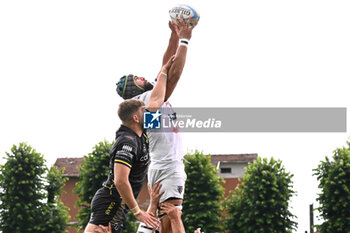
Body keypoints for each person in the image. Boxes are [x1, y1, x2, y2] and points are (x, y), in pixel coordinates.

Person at [116, 16, 197, 233]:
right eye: (138, 79)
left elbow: (165, 66)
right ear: (134, 89)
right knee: (172, 219)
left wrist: (173, 36)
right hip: (169, 166)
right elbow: (174, 73)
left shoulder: (147, 100)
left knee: (165, 223)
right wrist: (185, 40)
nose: (143, 77)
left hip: (160, 167)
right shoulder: (152, 99)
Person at [84, 55, 176, 233]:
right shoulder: (127, 141)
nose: (148, 111)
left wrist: (164, 70)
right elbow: (120, 180)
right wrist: (138, 212)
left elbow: (157, 100)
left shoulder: (142, 130)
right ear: (135, 117)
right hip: (109, 204)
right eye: (144, 110)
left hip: (121, 207)